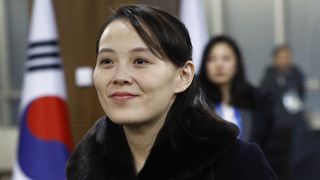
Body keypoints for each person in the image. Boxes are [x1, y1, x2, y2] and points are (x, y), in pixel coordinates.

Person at [66, 5, 277, 180]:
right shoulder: (84, 167)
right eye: (107, 61)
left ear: (183, 76)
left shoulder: (237, 163)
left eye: (140, 61)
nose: (120, 76)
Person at [198, 35, 268, 142]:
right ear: (204, 65)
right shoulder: (194, 104)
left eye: (226, 58)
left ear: (238, 63)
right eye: (212, 59)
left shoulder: (257, 102)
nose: (219, 65)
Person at [259, 45, 305, 180]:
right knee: (280, 161)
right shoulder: (268, 77)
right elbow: (265, 99)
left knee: (297, 158)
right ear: (275, 59)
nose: (285, 60)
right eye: (281, 57)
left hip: (295, 125)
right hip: (276, 126)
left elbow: (299, 96)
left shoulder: (297, 75)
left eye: (287, 57)